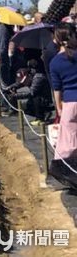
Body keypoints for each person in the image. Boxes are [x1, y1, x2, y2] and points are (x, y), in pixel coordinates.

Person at [48, 26, 77, 189]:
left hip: (70, 103)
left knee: (69, 142)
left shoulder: (56, 62)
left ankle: (70, 174)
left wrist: (59, 108)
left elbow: (57, 89)